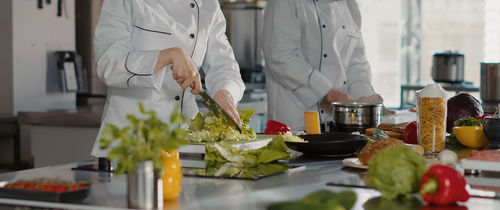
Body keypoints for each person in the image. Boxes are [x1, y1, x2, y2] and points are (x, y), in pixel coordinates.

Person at [91, 0, 245, 157]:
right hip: (129, 143)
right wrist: (168, 56)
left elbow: (224, 66)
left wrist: (224, 92)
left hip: (186, 143)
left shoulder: (208, 4)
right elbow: (108, 64)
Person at [262, 0, 383, 131]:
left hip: (339, 126)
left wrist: (364, 101)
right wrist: (326, 92)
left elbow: (356, 62)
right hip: (295, 126)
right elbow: (281, 57)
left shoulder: (349, 5)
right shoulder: (285, 3)